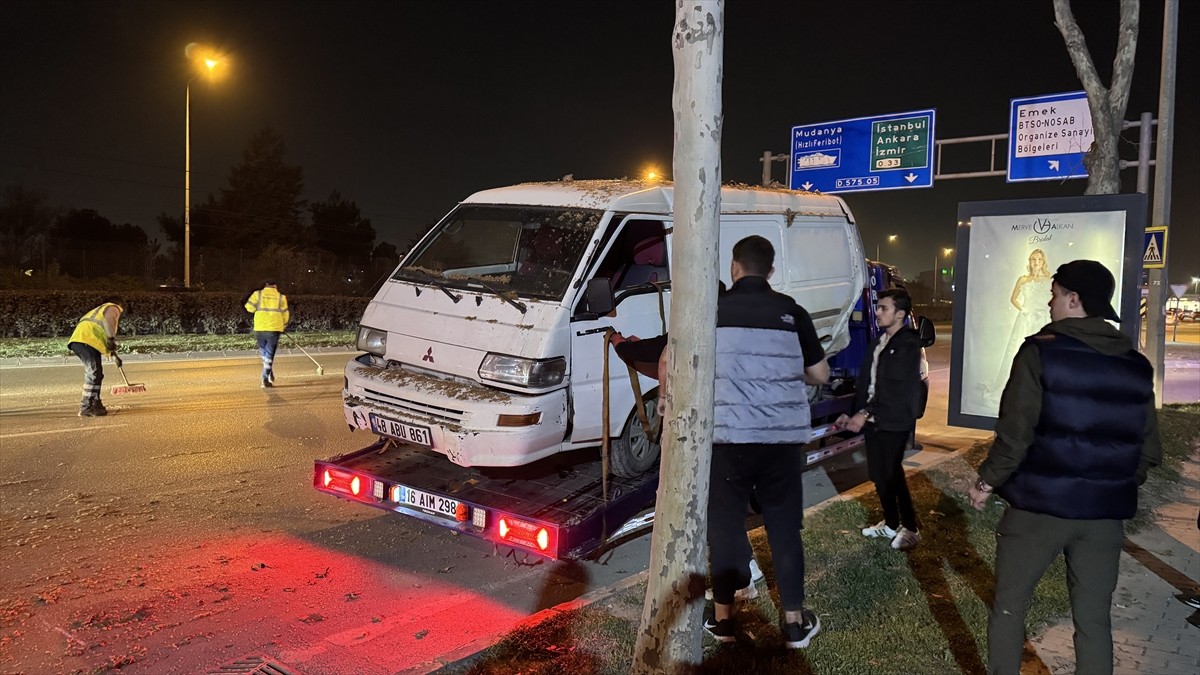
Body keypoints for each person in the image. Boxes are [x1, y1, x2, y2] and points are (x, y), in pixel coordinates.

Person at [967, 260, 1161, 675]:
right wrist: (1111, 484)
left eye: (1054, 294)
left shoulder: (1040, 352)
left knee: (1009, 608)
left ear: (1074, 299)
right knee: (1094, 620)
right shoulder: (1136, 364)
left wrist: (985, 483)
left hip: (1038, 509)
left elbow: (1015, 434)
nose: (1049, 302)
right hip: (1103, 516)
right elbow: (1148, 450)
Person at [701, 235, 828, 648]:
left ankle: (723, 622)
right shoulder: (793, 312)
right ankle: (794, 623)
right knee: (784, 527)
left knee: (724, 527)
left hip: (728, 438)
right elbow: (820, 374)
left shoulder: (713, 311)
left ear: (734, 267)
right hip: (780, 440)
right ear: (770, 271)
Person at [836, 288, 924, 551]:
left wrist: (864, 414)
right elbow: (867, 384)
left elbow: (893, 387)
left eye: (884, 308)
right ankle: (891, 522)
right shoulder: (879, 343)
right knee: (878, 473)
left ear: (900, 314)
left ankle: (911, 527)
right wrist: (854, 412)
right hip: (875, 419)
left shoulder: (908, 345)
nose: (877, 312)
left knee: (891, 472)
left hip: (894, 419)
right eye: (878, 307)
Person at [985, 248, 1051, 394]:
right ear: (1030, 261)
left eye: (1039, 259)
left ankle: (1039, 385)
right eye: (1033, 259)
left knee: (1042, 351)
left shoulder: (1049, 280)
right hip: (1026, 318)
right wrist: (1024, 310)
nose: (1036, 262)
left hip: (1042, 318)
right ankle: (1018, 384)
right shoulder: (1023, 279)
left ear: (1043, 262)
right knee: (1019, 349)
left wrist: (1045, 312)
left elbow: (1052, 299)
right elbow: (1013, 298)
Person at [66, 301, 124, 417]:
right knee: (94, 373)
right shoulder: (113, 307)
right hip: (86, 341)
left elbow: (103, 335)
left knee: (97, 374)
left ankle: (95, 403)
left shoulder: (98, 312)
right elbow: (108, 321)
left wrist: (114, 356)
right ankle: (86, 407)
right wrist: (111, 339)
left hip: (83, 341)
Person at [244, 280, 290, 388]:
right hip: (274, 329)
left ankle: (268, 370)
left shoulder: (257, 294)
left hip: (260, 328)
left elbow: (249, 308)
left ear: (266, 285)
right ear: (275, 286)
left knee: (264, 351)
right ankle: (265, 377)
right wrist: (284, 325)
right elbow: (285, 314)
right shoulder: (281, 297)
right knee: (269, 354)